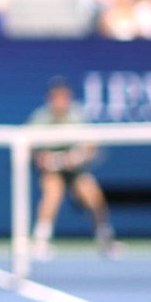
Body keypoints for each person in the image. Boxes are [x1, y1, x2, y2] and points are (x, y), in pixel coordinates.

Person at [26, 77, 117, 261]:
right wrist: (47, 160)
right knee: (53, 191)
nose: (60, 101)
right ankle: (41, 241)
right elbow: (29, 149)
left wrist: (76, 157)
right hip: (51, 171)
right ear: (50, 99)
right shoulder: (40, 118)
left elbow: (92, 146)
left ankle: (105, 238)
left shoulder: (77, 115)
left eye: (64, 97)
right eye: (56, 97)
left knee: (92, 193)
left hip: (76, 170)